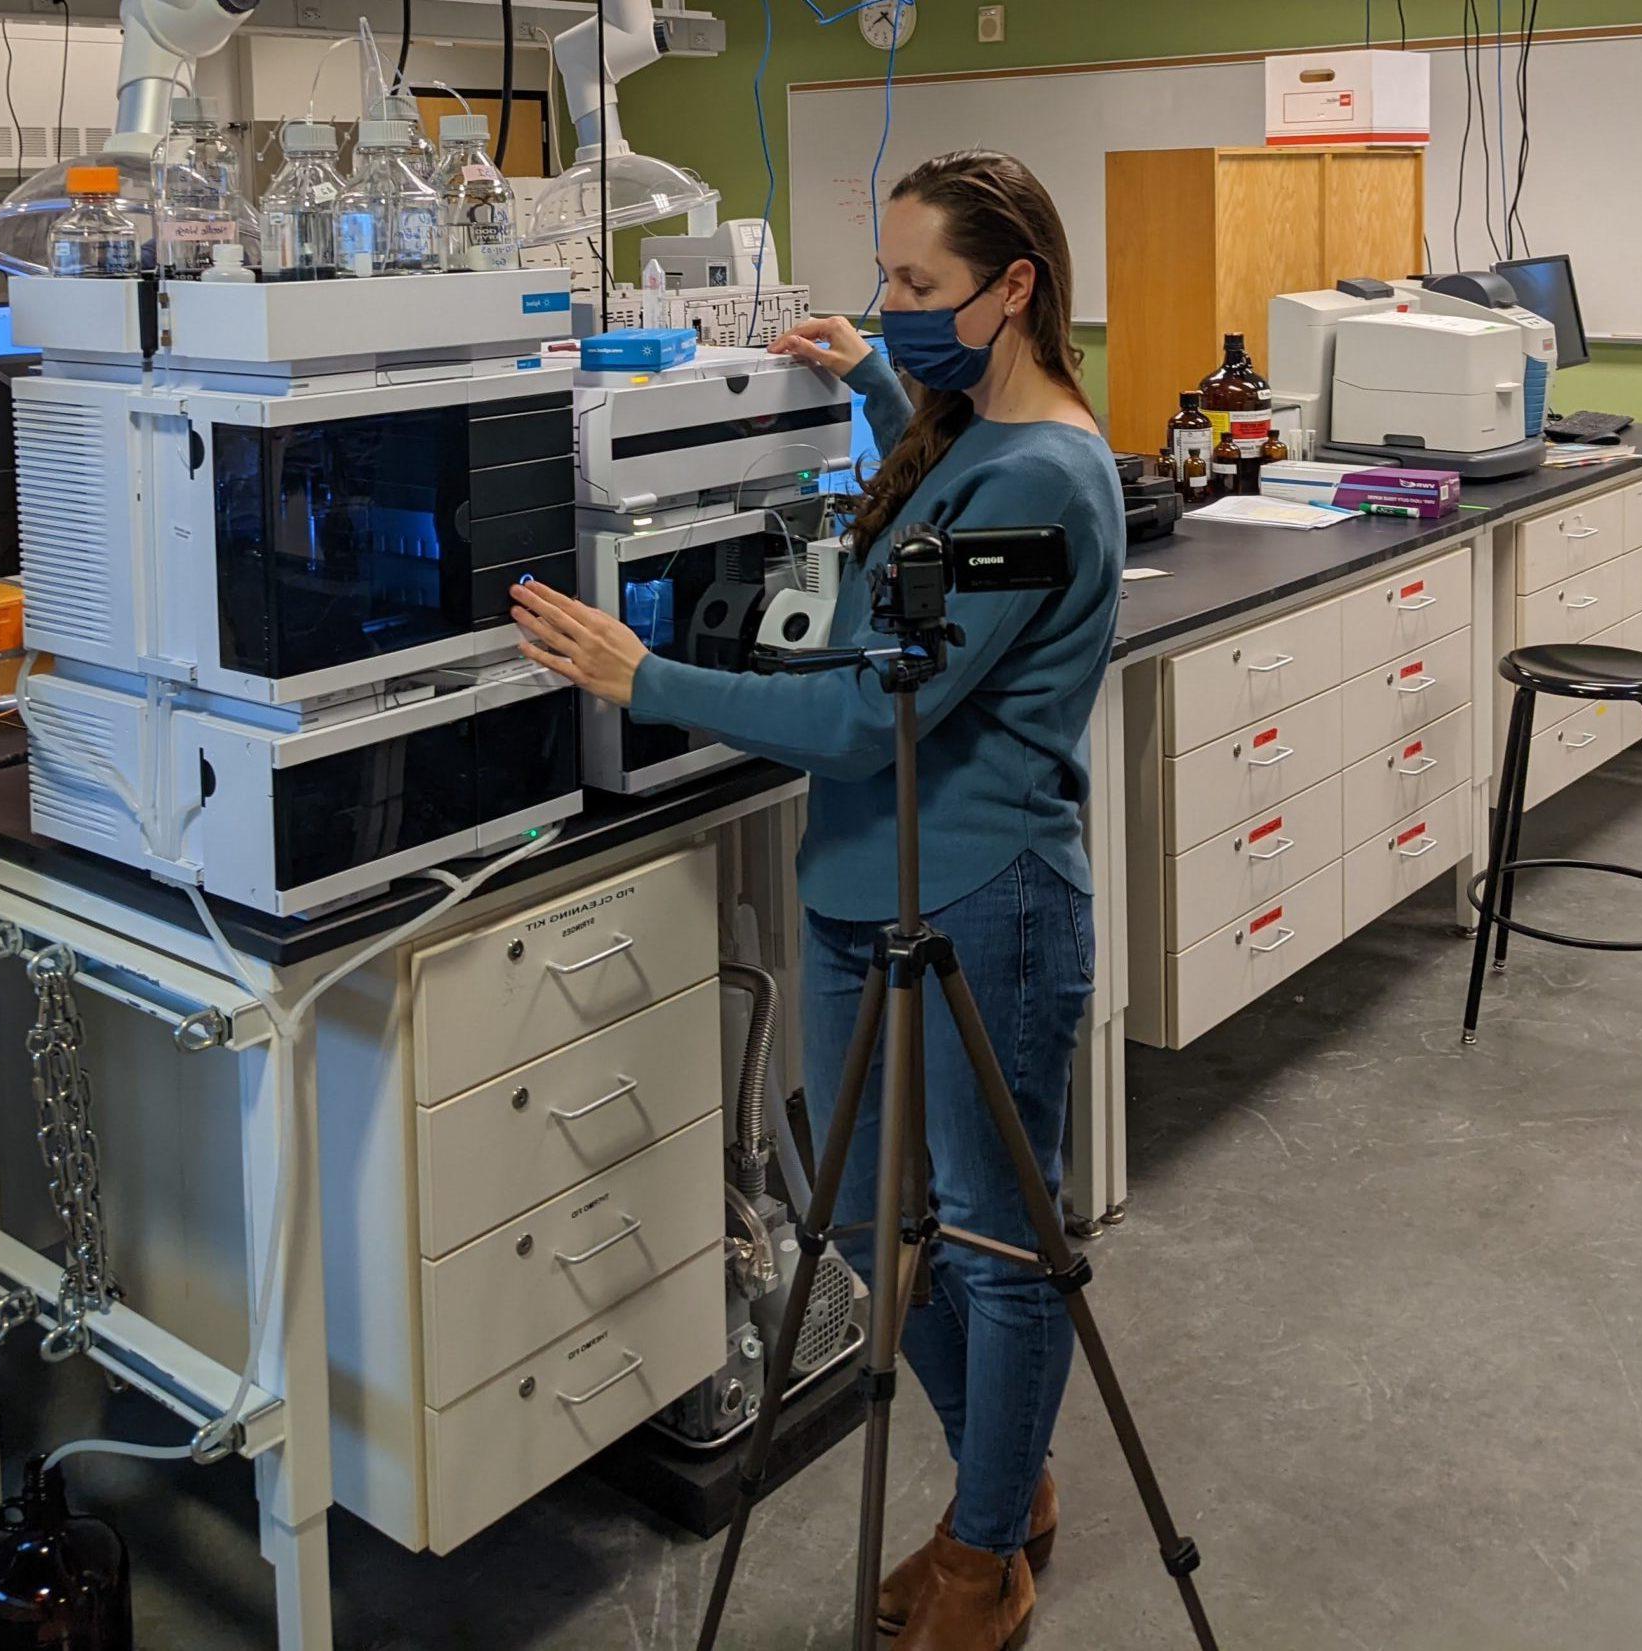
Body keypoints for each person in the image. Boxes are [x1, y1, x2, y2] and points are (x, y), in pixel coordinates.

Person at [509, 148, 1125, 1651]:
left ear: (1014, 287)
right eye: (886, 283)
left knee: (992, 1234)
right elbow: (929, 514)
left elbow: (869, 717)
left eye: (916, 289)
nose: (891, 307)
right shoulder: (977, 429)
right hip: (863, 878)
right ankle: (1006, 1483)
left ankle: (986, 1544)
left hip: (989, 894)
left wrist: (643, 677)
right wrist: (867, 380)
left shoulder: (1046, 474)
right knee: (860, 1223)